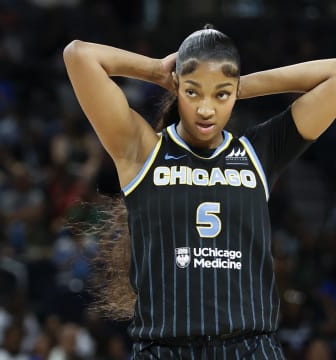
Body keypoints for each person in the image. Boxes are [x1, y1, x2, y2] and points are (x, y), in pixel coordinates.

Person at [63, 24, 336, 359]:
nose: (206, 109)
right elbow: (79, 55)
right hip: (163, 350)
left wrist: (240, 85)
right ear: (178, 87)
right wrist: (158, 71)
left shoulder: (259, 152)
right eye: (193, 92)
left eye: (220, 95)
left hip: (250, 349)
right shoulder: (143, 150)